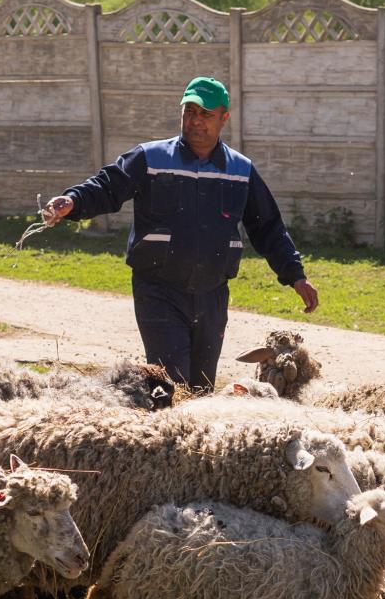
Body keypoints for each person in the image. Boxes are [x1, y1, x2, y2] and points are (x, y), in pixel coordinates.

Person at [40, 76, 318, 391]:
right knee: (171, 385)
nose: (195, 120)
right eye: (190, 111)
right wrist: (73, 200)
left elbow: (268, 227)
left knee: (201, 388)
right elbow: (107, 186)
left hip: (212, 296)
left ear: (224, 118)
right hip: (158, 292)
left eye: (206, 114)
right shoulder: (151, 158)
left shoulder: (240, 170)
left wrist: (295, 275)